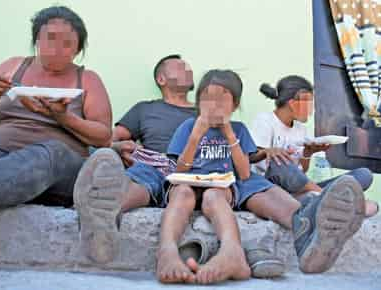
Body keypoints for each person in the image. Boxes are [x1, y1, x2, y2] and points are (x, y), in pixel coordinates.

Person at [74, 56, 284, 279]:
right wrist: (118, 148)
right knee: (156, 177)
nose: (187, 68)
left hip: (219, 183)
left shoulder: (234, 127)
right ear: (161, 78)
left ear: (234, 104)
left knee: (245, 184)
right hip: (172, 172)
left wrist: (240, 139)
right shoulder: (156, 113)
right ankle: (109, 215)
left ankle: (241, 248)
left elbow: (244, 170)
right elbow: (173, 166)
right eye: (179, 65)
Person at [157, 70, 366, 284]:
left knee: (214, 195)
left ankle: (234, 252)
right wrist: (195, 136)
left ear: (235, 106)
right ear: (198, 102)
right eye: (208, 99)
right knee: (181, 192)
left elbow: (245, 173)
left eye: (222, 101)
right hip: (188, 183)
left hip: (223, 187)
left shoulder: (238, 129)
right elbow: (180, 171)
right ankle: (167, 252)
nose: (214, 106)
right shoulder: (187, 127)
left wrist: (229, 134)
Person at [0, 6, 112, 243]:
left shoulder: (88, 79)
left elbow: (104, 136)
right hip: (0, 159)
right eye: (50, 39)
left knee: (50, 152)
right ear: (37, 40)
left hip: (58, 170)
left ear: (78, 49)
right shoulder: (14, 66)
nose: (56, 49)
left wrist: (63, 117)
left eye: (67, 43)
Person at [249, 75, 378, 217]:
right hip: (269, 190)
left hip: (296, 193)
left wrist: (308, 153)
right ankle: (332, 201)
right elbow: (251, 156)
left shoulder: (300, 129)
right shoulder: (265, 120)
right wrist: (269, 151)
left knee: (364, 175)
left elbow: (301, 171)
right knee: (281, 162)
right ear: (293, 103)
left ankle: (320, 200)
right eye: (308, 103)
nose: (311, 109)